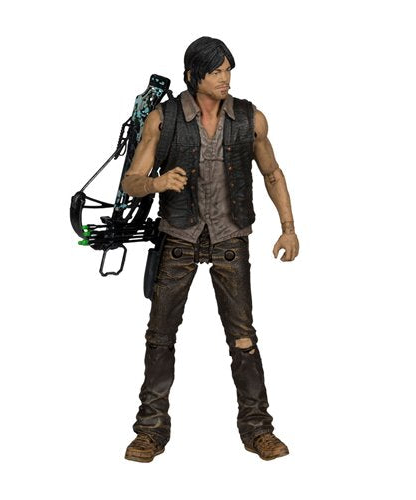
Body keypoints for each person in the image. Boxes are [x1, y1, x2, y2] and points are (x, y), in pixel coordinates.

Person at [121, 36, 299, 462]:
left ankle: (258, 429)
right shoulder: (164, 119)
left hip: (230, 236)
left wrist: (288, 228)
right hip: (178, 237)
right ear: (192, 75)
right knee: (160, 337)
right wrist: (158, 182)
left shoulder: (249, 118)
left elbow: (272, 173)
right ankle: (150, 431)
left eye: (227, 70)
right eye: (216, 71)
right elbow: (131, 181)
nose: (225, 78)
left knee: (243, 338)